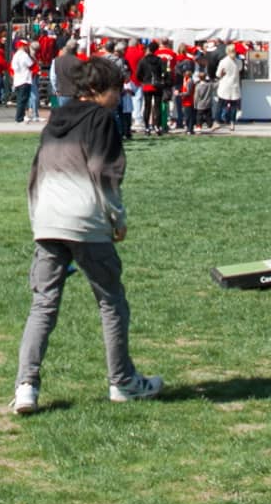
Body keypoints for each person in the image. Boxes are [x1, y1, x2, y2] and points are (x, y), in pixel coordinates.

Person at [11, 57, 160, 413]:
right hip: (85, 220)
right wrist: (117, 217)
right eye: (115, 89)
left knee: (43, 304)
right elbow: (104, 172)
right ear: (96, 90)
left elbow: (35, 173)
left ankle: (25, 387)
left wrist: (38, 221)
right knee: (111, 301)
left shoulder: (53, 122)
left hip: (47, 218)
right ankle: (123, 381)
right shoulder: (101, 120)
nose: (120, 94)